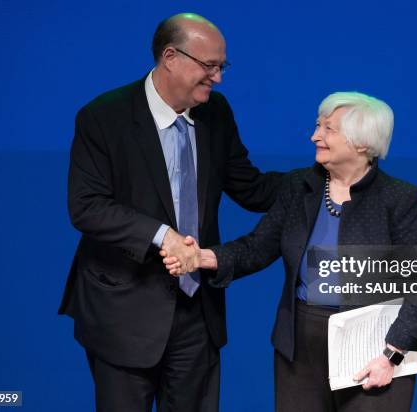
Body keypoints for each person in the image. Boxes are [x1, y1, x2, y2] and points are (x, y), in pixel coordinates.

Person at [58, 13, 282, 412]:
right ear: (170, 57)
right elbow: (87, 207)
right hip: (123, 309)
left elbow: (251, 188)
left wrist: (326, 175)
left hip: (197, 312)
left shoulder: (216, 113)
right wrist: (164, 235)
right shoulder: (103, 117)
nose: (218, 78)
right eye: (209, 65)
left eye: (221, 66)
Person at [164, 92, 417, 412]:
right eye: (317, 125)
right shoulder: (299, 186)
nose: (314, 136)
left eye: (328, 129)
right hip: (300, 343)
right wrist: (203, 257)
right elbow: (257, 246)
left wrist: (392, 356)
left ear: (362, 143)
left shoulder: (400, 199)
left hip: (374, 346)